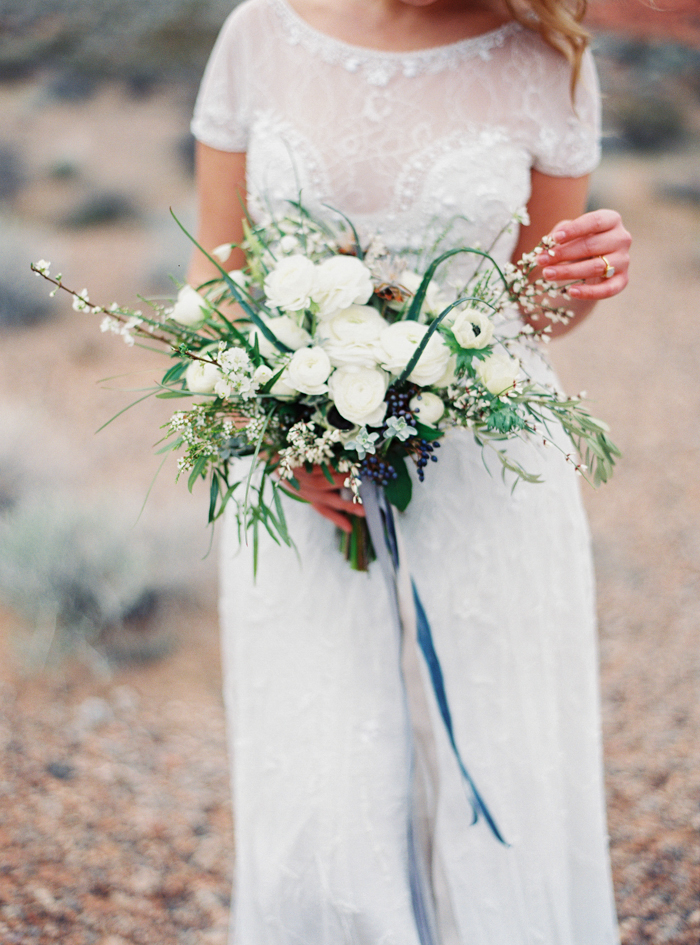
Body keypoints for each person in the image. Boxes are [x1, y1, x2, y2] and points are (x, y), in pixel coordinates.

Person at [188, 1, 631, 942]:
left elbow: (533, 309)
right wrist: (282, 443)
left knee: (497, 766)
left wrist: (577, 279)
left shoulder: (547, 58)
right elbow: (217, 283)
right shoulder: (258, 33)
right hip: (298, 481)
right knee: (324, 784)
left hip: (488, 463)